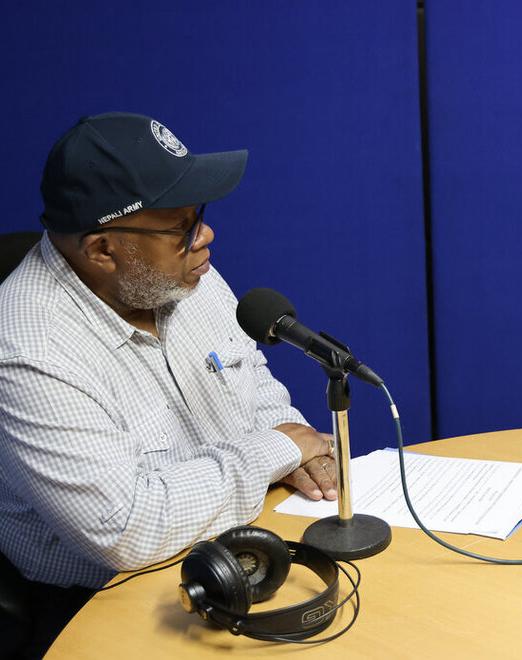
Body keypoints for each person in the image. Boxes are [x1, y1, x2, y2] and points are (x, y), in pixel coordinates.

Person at [0, 112, 338, 656]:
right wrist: (276, 450)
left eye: (198, 215)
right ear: (103, 250)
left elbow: (252, 381)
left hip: (238, 548)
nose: (205, 235)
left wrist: (297, 449)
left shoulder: (175, 273)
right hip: (100, 602)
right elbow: (125, 529)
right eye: (182, 226)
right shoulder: (28, 349)